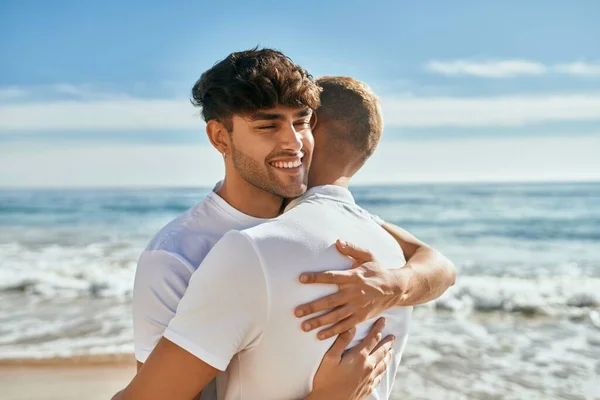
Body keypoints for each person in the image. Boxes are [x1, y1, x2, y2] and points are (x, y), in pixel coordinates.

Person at [128, 49, 456, 399]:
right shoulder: (176, 254)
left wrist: (393, 284)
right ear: (220, 137)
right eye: (268, 126)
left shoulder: (321, 220)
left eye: (302, 123)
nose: (294, 143)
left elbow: (439, 266)